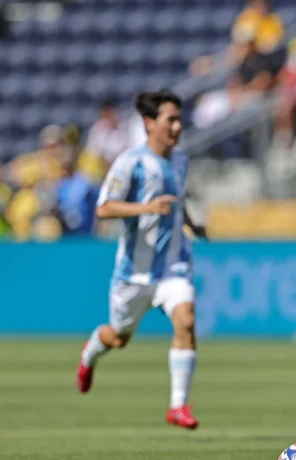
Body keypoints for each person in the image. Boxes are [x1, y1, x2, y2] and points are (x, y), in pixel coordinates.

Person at [75, 89, 208, 429]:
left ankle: (177, 406)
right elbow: (104, 208)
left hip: (173, 266)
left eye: (179, 119)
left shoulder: (180, 160)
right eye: (171, 120)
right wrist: (145, 208)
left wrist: (193, 224)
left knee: (186, 319)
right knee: (118, 338)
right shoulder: (130, 162)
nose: (178, 127)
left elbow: (176, 201)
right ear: (149, 123)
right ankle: (89, 355)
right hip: (134, 274)